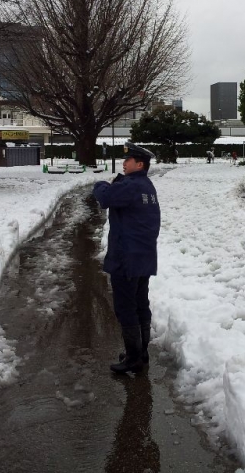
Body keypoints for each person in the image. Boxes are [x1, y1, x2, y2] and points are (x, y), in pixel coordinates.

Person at [93, 142, 161, 375]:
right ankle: (141, 352)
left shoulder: (130, 186)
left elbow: (105, 197)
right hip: (143, 257)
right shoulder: (147, 186)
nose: (124, 163)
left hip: (126, 258)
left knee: (126, 307)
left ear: (139, 164)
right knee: (141, 304)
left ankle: (133, 357)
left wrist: (100, 183)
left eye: (128, 160)